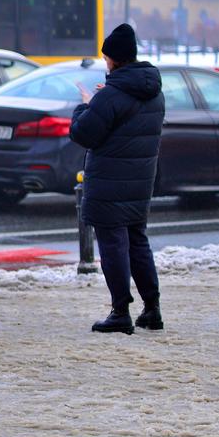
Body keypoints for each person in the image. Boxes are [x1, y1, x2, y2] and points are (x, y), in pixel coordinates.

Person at [70, 23, 165, 335]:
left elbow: (84, 134)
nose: (105, 62)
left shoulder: (110, 95)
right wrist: (101, 101)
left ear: (114, 59)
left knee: (113, 245)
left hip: (109, 182)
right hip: (139, 181)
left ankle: (120, 311)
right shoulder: (153, 91)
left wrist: (86, 105)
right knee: (137, 241)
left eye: (107, 57)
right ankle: (152, 309)